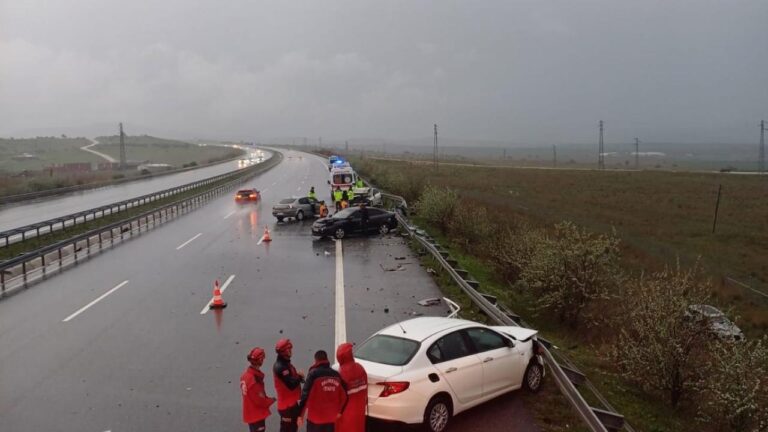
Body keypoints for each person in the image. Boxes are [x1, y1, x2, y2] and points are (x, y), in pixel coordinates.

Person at [297, 350, 348, 432]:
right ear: (327, 359)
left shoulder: (313, 374)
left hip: (315, 420)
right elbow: (345, 396)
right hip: (331, 420)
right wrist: (340, 412)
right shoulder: (336, 375)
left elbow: (305, 395)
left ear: (316, 360)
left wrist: (300, 415)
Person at [273, 339, 305, 432]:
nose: (291, 351)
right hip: (287, 408)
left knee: (293, 428)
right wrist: (299, 377)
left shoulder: (285, 363)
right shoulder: (281, 367)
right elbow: (291, 385)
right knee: (287, 429)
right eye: (288, 349)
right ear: (284, 352)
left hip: (291, 404)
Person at [241, 347, 276, 432]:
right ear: (260, 360)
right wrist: (272, 400)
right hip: (256, 415)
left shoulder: (244, 376)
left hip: (250, 413)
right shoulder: (254, 380)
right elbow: (260, 401)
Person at [335, 343, 367, 432]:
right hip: (360, 409)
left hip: (346, 412)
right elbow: (365, 389)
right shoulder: (360, 368)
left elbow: (339, 395)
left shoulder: (342, 373)